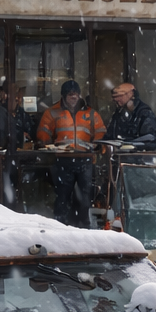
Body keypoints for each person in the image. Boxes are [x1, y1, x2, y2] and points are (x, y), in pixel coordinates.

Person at [36, 80, 106, 227]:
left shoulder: (90, 113)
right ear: (63, 96)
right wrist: (47, 144)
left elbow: (101, 132)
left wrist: (97, 145)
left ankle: (82, 227)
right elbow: (43, 132)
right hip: (62, 160)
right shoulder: (52, 112)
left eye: (76, 95)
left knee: (84, 198)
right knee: (62, 197)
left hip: (85, 160)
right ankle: (59, 226)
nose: (73, 98)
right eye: (70, 95)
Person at [108, 82, 156, 151]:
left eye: (120, 96)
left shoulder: (144, 113)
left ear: (131, 94)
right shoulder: (118, 114)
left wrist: (130, 145)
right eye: (114, 97)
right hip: (120, 157)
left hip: (138, 158)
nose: (116, 99)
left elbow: (150, 141)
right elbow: (110, 135)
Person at [0, 84, 33, 150]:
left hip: (22, 154)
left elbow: (30, 134)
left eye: (18, 95)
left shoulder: (22, 113)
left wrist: (27, 136)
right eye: (14, 95)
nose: (17, 98)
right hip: (2, 154)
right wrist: (18, 134)